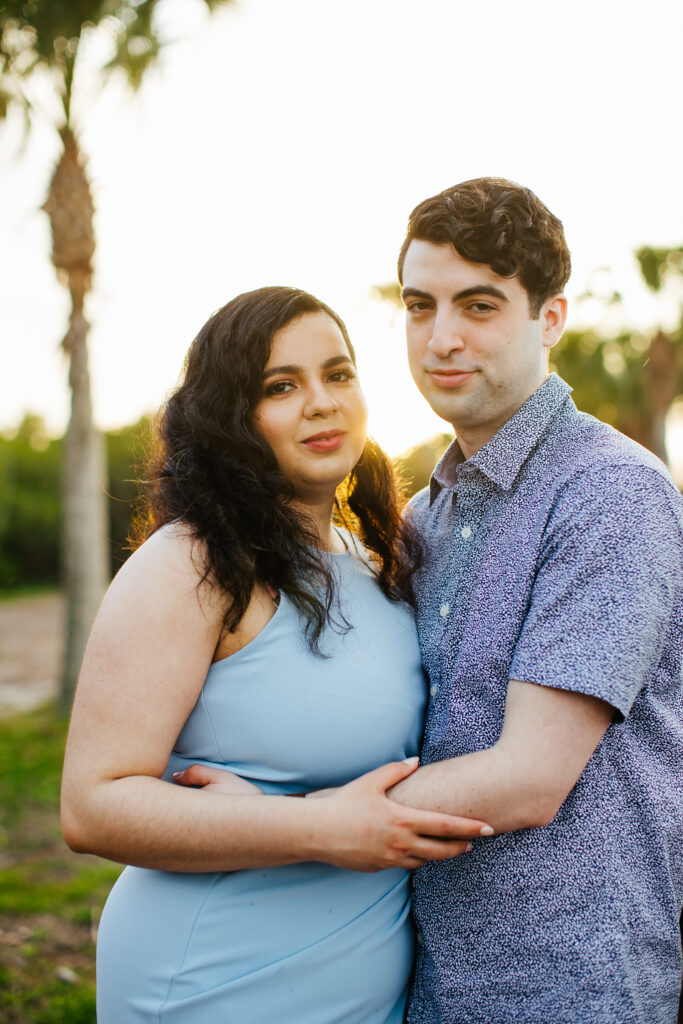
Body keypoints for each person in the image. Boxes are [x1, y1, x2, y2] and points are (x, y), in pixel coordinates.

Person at [60, 286, 490, 1024]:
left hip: (355, 990)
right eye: (280, 386)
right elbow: (91, 807)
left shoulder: (372, 560)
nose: (320, 402)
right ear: (230, 416)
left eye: (338, 373)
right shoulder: (191, 563)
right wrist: (313, 828)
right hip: (212, 982)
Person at [382, 177, 683, 1023]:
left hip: (571, 979)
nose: (441, 339)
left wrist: (284, 823)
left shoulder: (610, 493)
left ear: (549, 319)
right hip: (425, 973)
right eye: (418, 305)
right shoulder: (423, 513)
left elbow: (526, 780)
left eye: (478, 306)